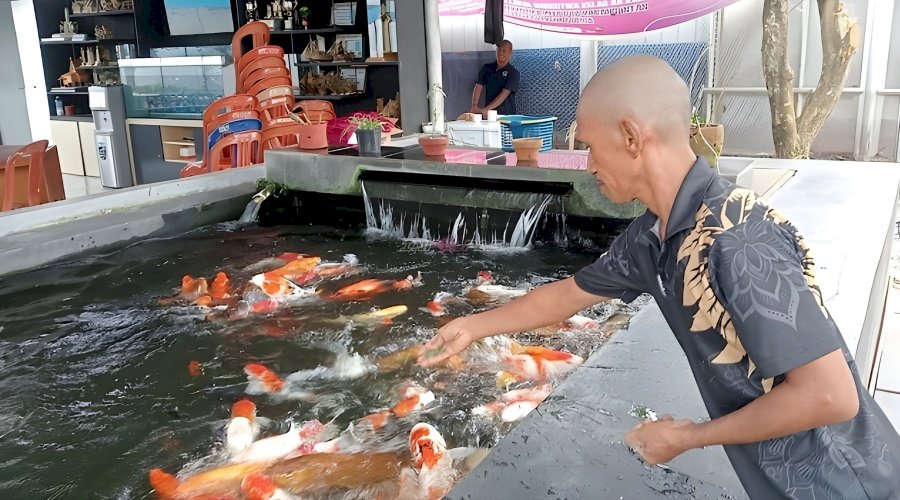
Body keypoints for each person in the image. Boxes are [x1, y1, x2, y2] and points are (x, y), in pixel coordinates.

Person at [420, 55, 900, 498]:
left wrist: (689, 437)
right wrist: (471, 327)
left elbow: (830, 395)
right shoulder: (651, 236)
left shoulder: (738, 239)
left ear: (631, 136)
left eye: (589, 146)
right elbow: (568, 294)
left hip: (846, 481)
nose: (588, 166)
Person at [471, 40, 520, 117]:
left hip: (506, 115)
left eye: (504, 51)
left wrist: (487, 109)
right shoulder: (486, 68)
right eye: (499, 50)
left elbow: (504, 94)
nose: (501, 53)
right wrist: (474, 105)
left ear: (510, 53)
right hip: (488, 115)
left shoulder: (513, 73)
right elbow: (478, 86)